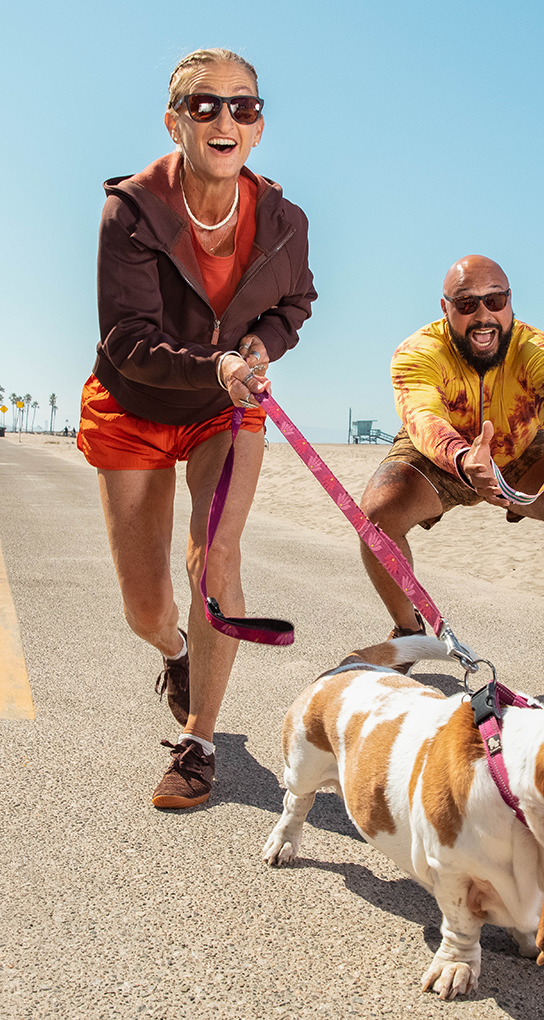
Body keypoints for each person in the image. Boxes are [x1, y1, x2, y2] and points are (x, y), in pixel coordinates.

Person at [77, 48, 316, 809]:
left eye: (242, 106)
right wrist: (216, 364)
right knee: (145, 607)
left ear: (259, 127)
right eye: (204, 105)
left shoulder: (284, 220)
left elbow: (295, 305)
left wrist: (258, 347)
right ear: (175, 121)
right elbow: (128, 341)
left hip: (225, 408)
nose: (225, 118)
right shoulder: (133, 209)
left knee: (216, 554)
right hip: (136, 401)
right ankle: (175, 650)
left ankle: (200, 740)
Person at [358, 255, 544, 702]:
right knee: (376, 516)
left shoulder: (542, 351)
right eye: (466, 303)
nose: (483, 315)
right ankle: (408, 628)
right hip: (443, 451)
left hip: (518, 448)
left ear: (510, 302)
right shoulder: (417, 351)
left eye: (494, 300)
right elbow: (421, 414)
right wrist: (461, 459)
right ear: (445, 307)